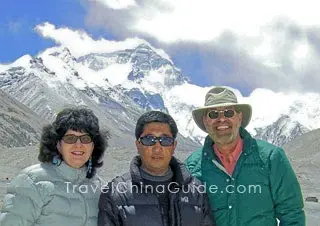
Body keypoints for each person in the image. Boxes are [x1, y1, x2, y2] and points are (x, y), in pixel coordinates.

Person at [184, 86, 306, 226]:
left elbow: (292, 213)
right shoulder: (192, 166)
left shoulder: (271, 158)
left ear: (239, 118)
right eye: (213, 114)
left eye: (229, 113)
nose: (221, 119)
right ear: (206, 121)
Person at [98, 111, 215, 226]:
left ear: (174, 146)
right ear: (138, 145)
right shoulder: (115, 193)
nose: (157, 148)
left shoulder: (197, 192)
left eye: (165, 140)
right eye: (149, 140)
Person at [0, 107, 108, 226]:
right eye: (70, 138)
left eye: (86, 138)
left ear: (93, 146)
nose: (78, 145)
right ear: (58, 144)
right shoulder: (32, 181)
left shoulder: (99, 187)